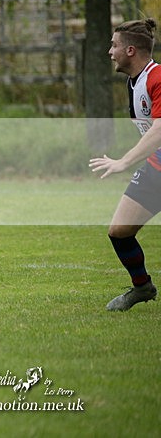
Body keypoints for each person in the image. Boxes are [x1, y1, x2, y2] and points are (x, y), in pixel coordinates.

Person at [90, 18, 161, 311]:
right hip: (158, 168)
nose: (110, 52)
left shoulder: (158, 77)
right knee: (119, 231)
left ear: (130, 50)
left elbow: (159, 129)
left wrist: (124, 162)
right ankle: (142, 287)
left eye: (114, 45)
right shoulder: (135, 81)